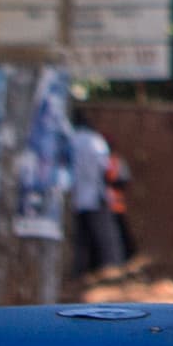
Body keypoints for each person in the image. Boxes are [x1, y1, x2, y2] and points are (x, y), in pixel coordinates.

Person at [65, 111, 129, 272]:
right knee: (106, 235)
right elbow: (107, 168)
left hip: (76, 196)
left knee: (80, 238)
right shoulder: (95, 140)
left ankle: (78, 270)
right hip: (96, 194)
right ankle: (114, 268)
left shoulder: (69, 140)